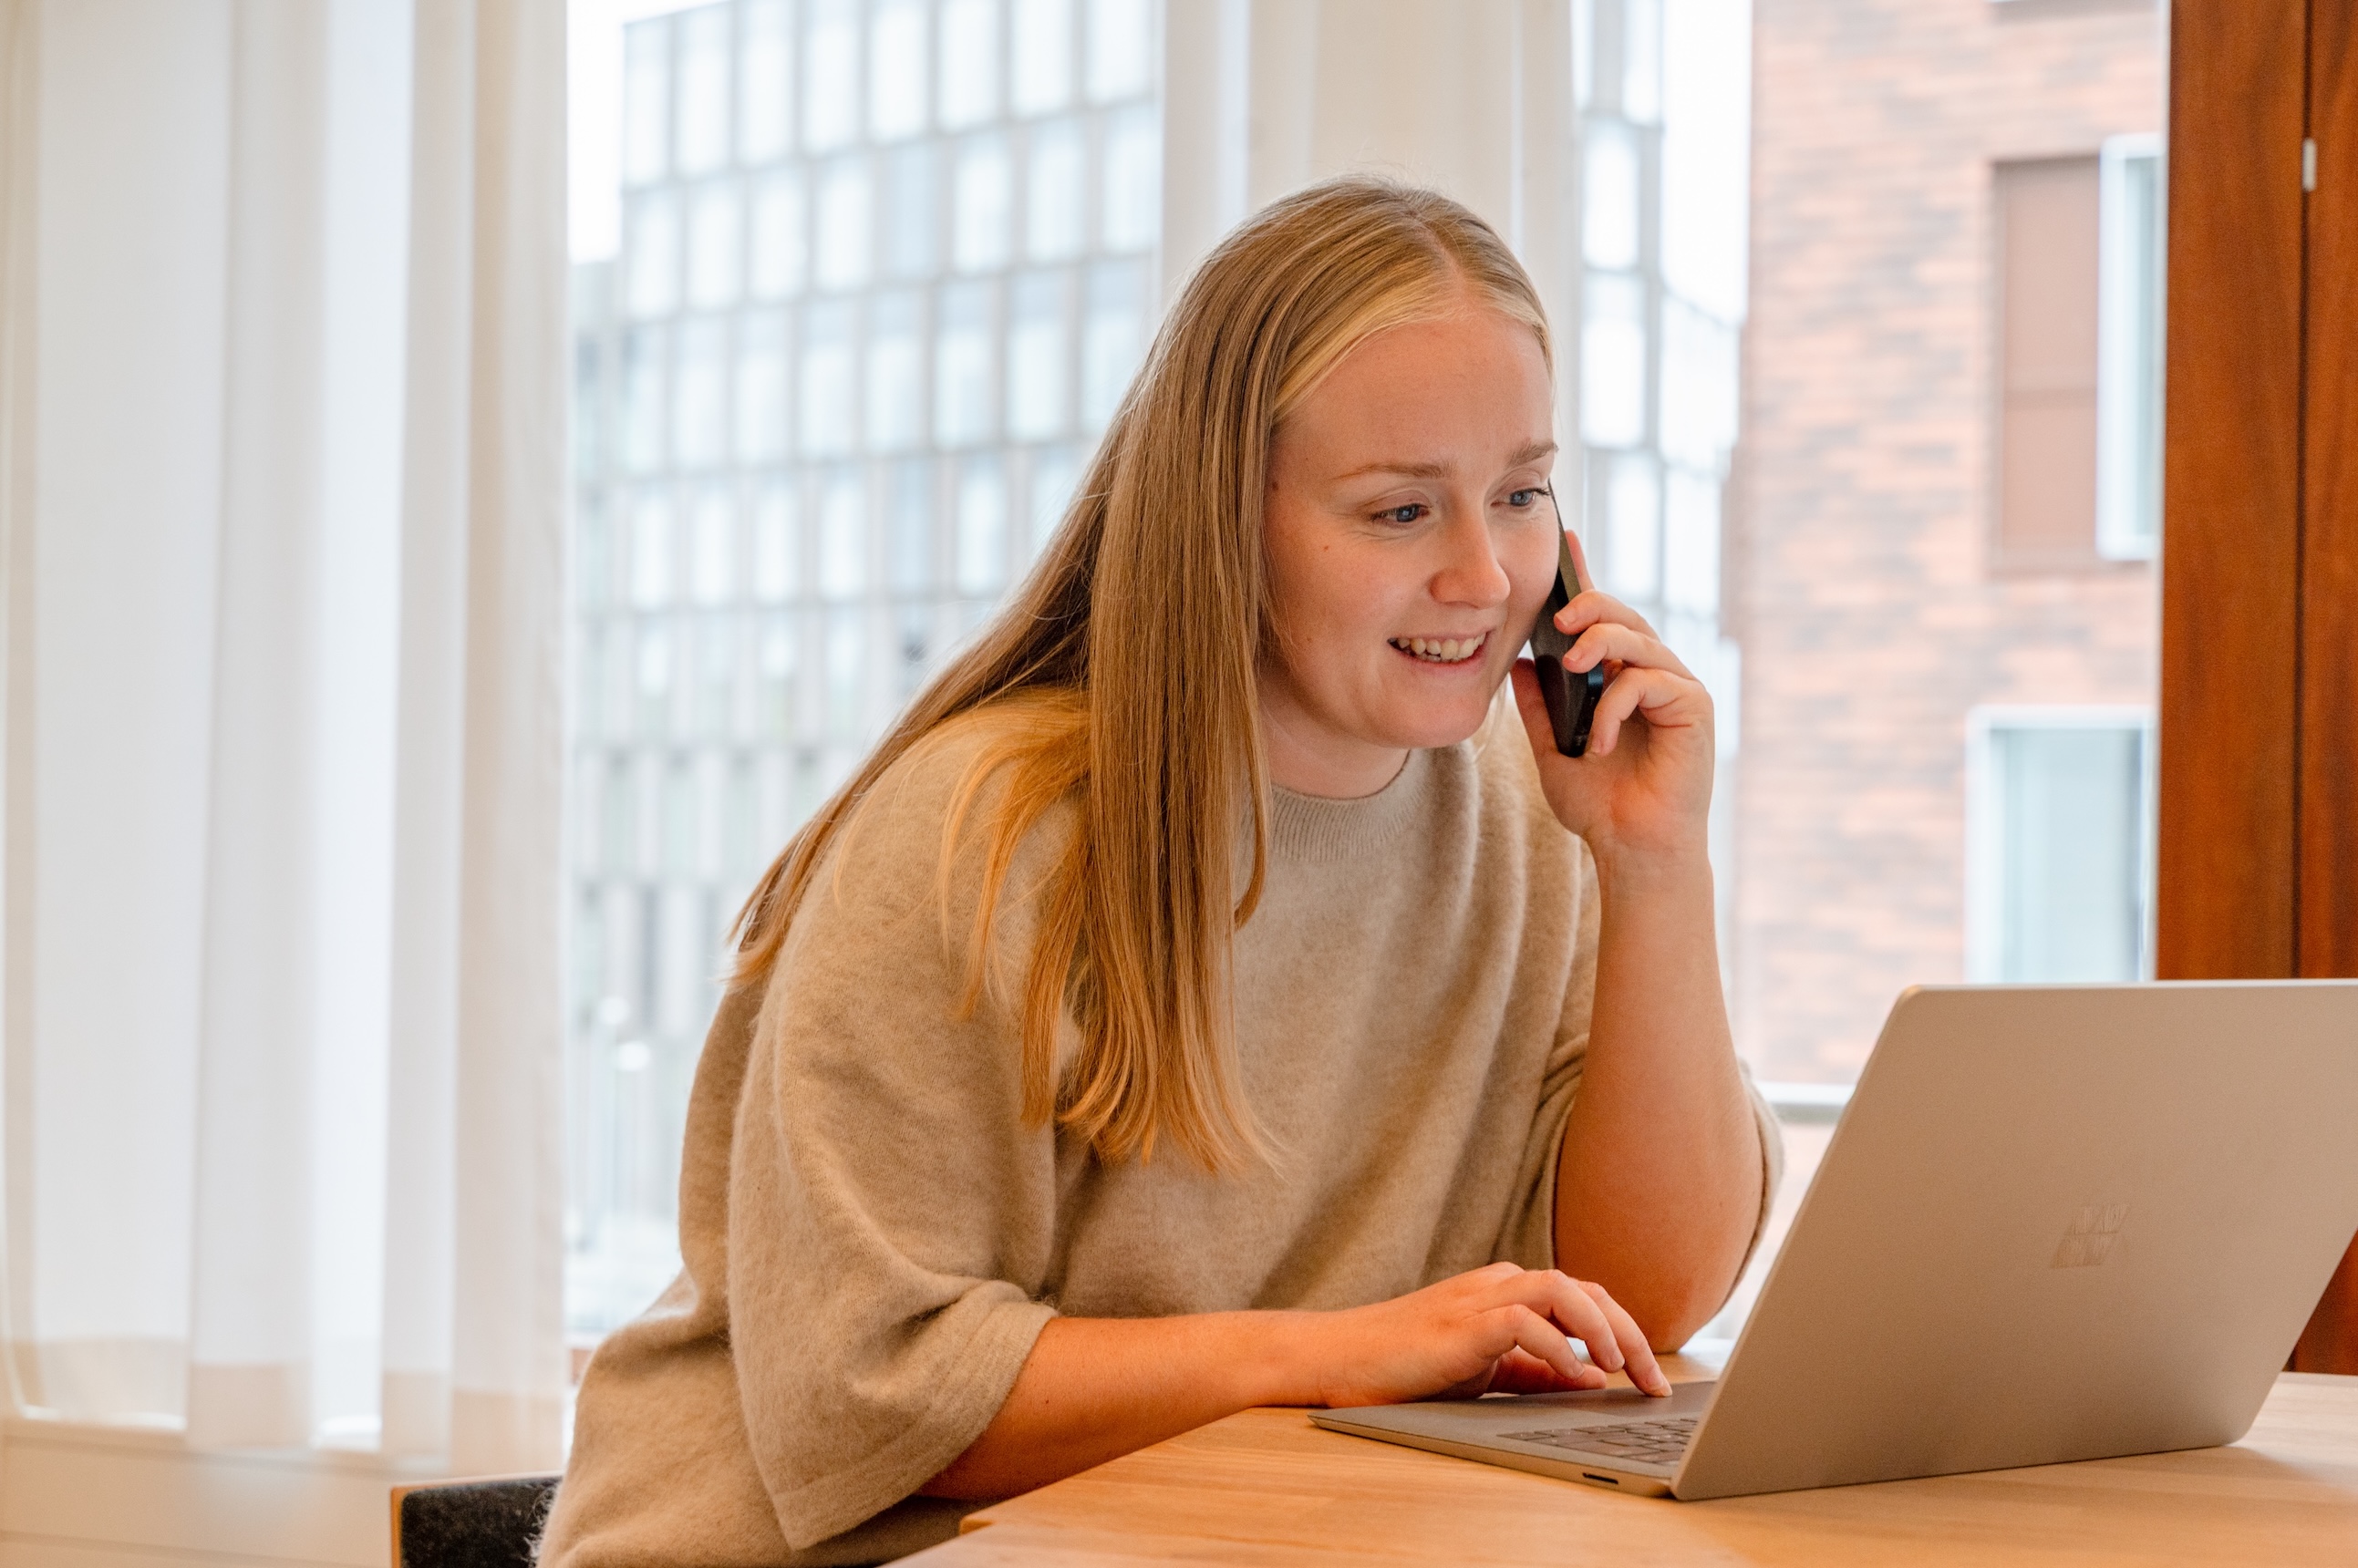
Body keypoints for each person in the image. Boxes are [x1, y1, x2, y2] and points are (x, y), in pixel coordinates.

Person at [539, 178, 1779, 1567]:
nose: (1486, 575)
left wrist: (1652, 867)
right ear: (1223, 521)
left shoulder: (1532, 810)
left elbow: (1635, 1305)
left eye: (1522, 494)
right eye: (1395, 513)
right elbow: (874, 1394)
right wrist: (1346, 1354)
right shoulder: (982, 835)